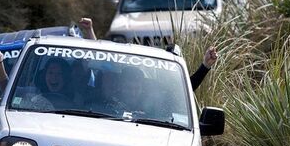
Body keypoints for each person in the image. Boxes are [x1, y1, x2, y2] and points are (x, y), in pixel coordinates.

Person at [79, 17, 218, 91]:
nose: (132, 90)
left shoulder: (153, 95)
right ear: (120, 86)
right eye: (128, 87)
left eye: (136, 87)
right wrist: (89, 32)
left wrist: (205, 66)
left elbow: (184, 89)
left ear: (143, 86)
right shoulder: (111, 90)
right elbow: (99, 59)